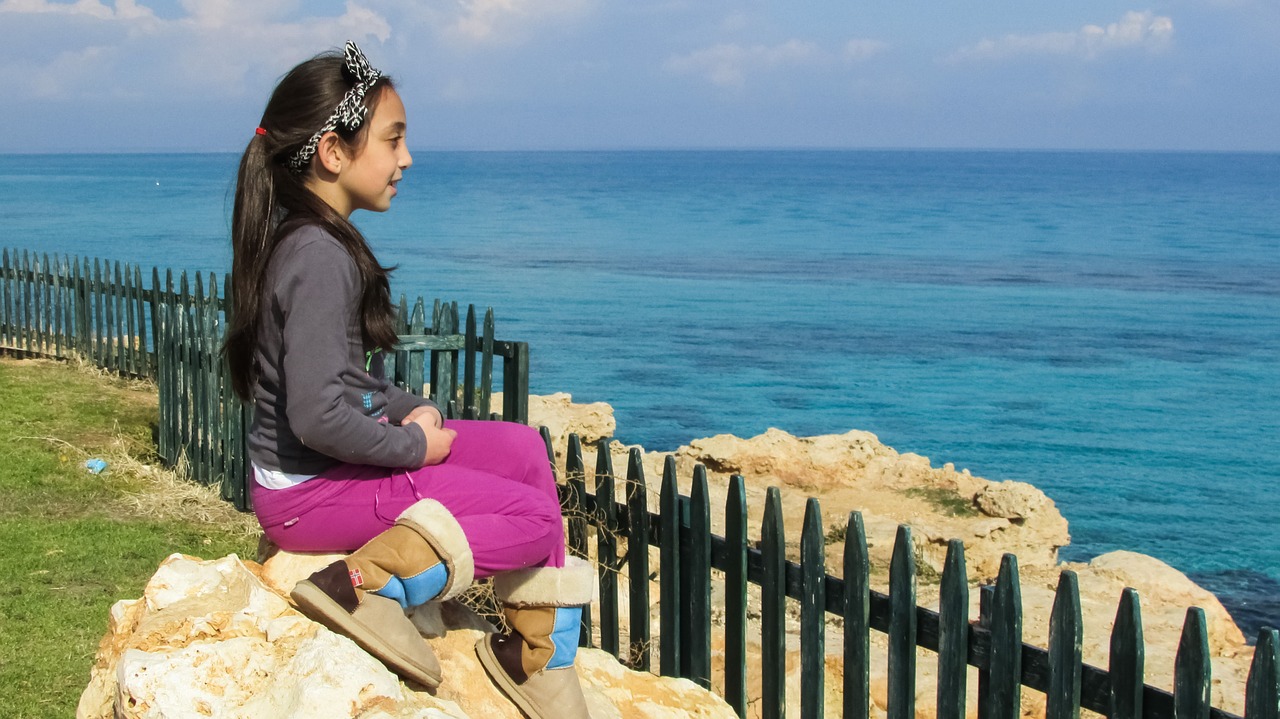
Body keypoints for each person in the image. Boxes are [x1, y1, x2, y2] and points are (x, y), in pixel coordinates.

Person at [223, 41, 591, 719]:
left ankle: (538, 654)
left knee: (522, 449)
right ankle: (363, 584)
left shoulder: (319, 243)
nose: (407, 159)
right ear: (333, 152)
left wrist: (413, 407)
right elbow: (318, 416)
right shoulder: (315, 257)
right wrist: (417, 449)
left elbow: (348, 379)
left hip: (321, 475)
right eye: (393, 140)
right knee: (537, 521)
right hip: (307, 494)